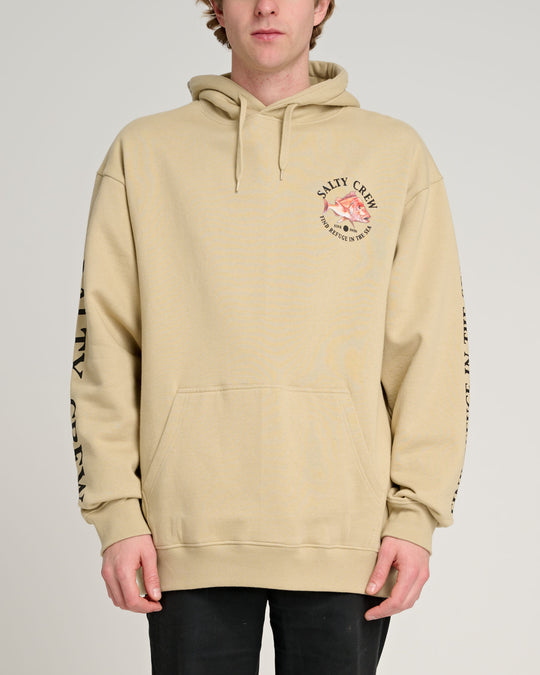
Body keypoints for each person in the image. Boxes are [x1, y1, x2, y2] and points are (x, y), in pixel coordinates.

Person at [69, 1, 470, 672]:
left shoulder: (394, 154)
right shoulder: (144, 152)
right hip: (182, 534)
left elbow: (430, 352)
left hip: (347, 537)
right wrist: (116, 511)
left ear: (321, 6)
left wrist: (416, 515)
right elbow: (105, 346)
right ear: (216, 6)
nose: (266, 5)